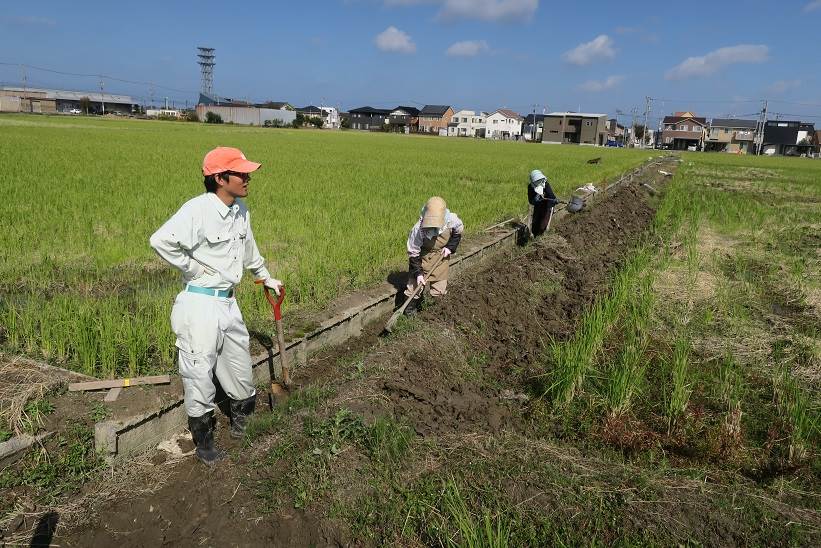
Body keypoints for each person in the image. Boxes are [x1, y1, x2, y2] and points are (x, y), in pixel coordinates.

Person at [149, 147, 282, 465]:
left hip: (228, 304)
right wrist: (193, 269)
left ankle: (241, 421)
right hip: (199, 306)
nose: (248, 178)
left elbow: (249, 250)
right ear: (220, 178)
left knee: (238, 366)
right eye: (241, 173)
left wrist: (266, 278)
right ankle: (205, 441)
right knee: (199, 374)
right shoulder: (197, 210)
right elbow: (160, 240)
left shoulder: (241, 210)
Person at [403, 196, 464, 315]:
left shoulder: (452, 220)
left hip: (441, 256)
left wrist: (450, 247)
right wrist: (418, 273)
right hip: (422, 257)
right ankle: (409, 312)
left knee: (439, 288)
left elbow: (458, 233)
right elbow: (413, 252)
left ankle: (435, 316)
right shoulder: (418, 228)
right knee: (414, 287)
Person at [528, 169, 560, 237]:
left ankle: (543, 238)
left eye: (540, 180)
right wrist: (535, 200)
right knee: (535, 224)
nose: (539, 182)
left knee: (543, 225)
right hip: (538, 206)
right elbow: (530, 201)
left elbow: (551, 196)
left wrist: (554, 201)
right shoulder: (531, 187)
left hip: (547, 206)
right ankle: (535, 237)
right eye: (537, 181)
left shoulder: (546, 185)